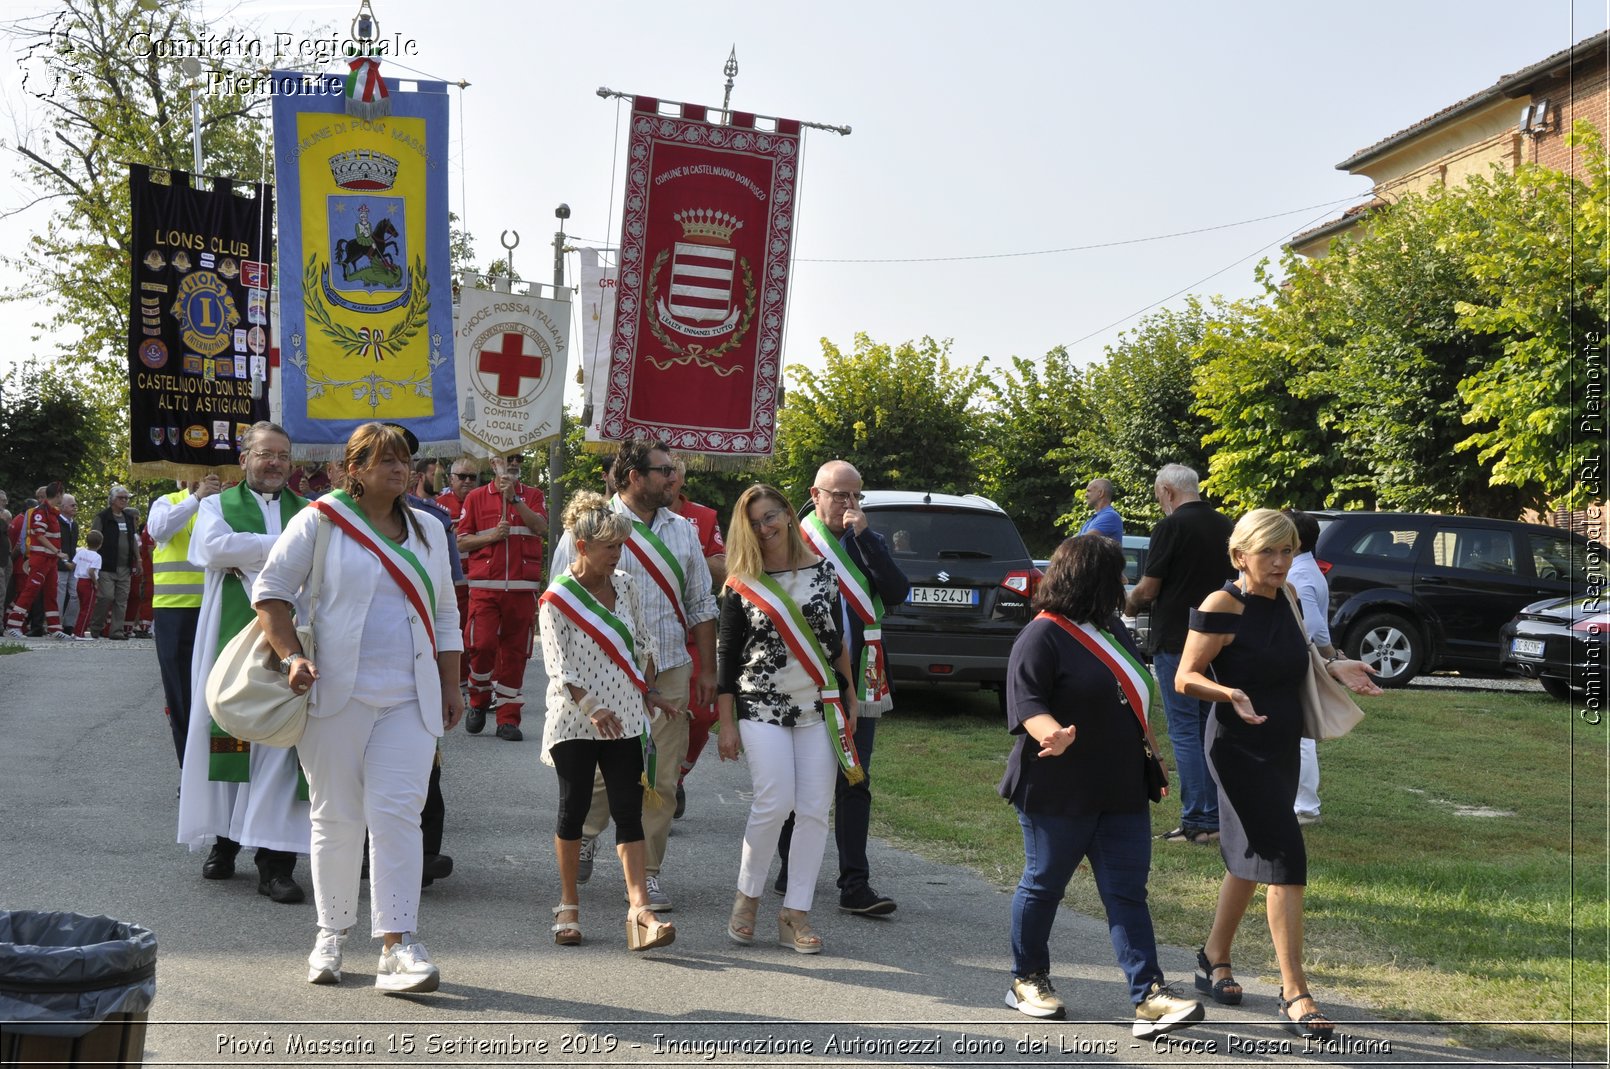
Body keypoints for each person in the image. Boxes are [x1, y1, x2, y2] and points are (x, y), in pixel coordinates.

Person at [253, 422, 463, 992]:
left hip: (409, 698)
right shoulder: (320, 520)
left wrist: (452, 684)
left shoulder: (427, 528)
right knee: (336, 816)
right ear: (355, 468)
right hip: (334, 694)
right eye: (385, 460)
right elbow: (270, 593)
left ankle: (399, 945)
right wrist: (292, 656)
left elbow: (445, 613)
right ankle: (331, 934)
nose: (400, 470)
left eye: (405, 461)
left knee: (398, 815)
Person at [1175, 509, 1380, 1040]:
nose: (1280, 562)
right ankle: (1295, 991)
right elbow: (1186, 678)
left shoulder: (1286, 598)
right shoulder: (1223, 604)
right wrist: (1229, 693)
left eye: (1287, 551)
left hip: (1281, 744)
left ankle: (1213, 957)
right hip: (1237, 748)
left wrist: (1338, 667)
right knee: (1285, 857)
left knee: (1250, 859)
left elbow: (1300, 658)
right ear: (1240, 554)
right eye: (1268, 552)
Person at [999, 535, 1205, 1035]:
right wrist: (1054, 734)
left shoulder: (1112, 628)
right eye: (1115, 575)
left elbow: (1127, 692)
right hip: (1057, 787)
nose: (1124, 585)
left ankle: (1149, 996)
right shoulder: (1041, 635)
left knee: (1127, 893)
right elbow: (1026, 703)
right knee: (1044, 883)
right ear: (1090, 580)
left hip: (1119, 787)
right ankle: (1027, 979)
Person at [553, 438, 717, 912]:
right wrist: (572, 683)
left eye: (673, 470)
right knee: (605, 774)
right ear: (634, 476)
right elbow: (560, 598)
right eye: (664, 470)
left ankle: (649, 873)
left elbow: (701, 604)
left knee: (661, 778)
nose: (674, 477)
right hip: (602, 674)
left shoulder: (685, 530)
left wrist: (706, 667)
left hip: (668, 668)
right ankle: (584, 836)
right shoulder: (586, 526)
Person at [717, 484, 858, 955]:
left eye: (771, 515)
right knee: (774, 803)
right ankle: (748, 896)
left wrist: (851, 696)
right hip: (760, 705)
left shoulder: (823, 572)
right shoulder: (741, 582)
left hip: (819, 704)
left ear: (787, 512)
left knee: (816, 808)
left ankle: (795, 912)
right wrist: (727, 722)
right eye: (755, 521)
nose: (765, 527)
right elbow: (727, 656)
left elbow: (835, 641)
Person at [176, 423, 311, 905]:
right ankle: (224, 840)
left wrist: (247, 548)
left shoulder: (310, 510)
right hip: (231, 639)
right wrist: (281, 549)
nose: (274, 463)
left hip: (291, 638)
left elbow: (239, 550)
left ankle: (276, 864)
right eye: (265, 454)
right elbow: (211, 549)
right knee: (228, 733)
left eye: (282, 455)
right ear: (245, 459)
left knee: (280, 741)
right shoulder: (215, 505)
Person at [538, 491, 676, 951]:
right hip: (575, 720)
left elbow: (642, 641)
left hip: (627, 718)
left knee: (628, 808)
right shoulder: (557, 598)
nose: (617, 554)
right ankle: (568, 904)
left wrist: (651, 688)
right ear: (581, 546)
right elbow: (558, 668)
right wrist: (592, 706)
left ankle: (639, 910)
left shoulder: (627, 585)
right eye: (609, 547)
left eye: (620, 546)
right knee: (573, 807)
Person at [776, 459, 910, 916]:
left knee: (856, 777)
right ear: (816, 496)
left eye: (856, 496)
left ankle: (855, 884)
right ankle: (789, 869)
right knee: (799, 784)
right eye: (839, 496)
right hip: (804, 678)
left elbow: (896, 592)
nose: (849, 505)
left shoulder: (865, 541)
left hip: (860, 680)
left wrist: (867, 539)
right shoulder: (793, 540)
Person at [1124, 464, 1235, 845]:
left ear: (1168, 492)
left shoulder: (1170, 528)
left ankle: (1199, 819)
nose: (1159, 504)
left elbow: (1150, 588)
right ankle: (1219, 816)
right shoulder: (1227, 526)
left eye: (1158, 497)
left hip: (1177, 640)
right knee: (1212, 730)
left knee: (1185, 730)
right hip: (1221, 639)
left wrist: (1129, 604)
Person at [457, 453, 549, 740]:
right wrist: (491, 537)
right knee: (481, 646)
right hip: (486, 588)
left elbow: (542, 528)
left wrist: (516, 501)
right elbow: (462, 541)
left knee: (514, 654)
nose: (512, 464)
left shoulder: (533, 495)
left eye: (517, 459)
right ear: (493, 463)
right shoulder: (475, 497)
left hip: (521, 590)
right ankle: (478, 699)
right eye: (506, 459)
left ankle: (508, 719)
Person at [148, 475, 223, 767]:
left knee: (221, 691)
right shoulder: (168, 501)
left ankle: (224, 767)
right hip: (174, 610)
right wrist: (196, 499)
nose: (204, 476)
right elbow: (159, 530)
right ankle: (189, 769)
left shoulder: (224, 504)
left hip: (217, 606)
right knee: (180, 694)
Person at [667, 457, 726, 819]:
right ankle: (655, 786)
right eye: (661, 474)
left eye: (673, 475)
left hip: (694, 632)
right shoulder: (633, 517)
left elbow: (722, 569)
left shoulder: (702, 517)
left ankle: (677, 777)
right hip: (651, 638)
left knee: (704, 714)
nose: (668, 482)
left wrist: (683, 552)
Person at [1284, 510, 1334, 826]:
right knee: (1300, 735)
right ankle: (1302, 803)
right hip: (1303, 656)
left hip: (1298, 658)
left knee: (1300, 736)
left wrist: (1327, 655)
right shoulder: (1305, 569)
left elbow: (1312, 625)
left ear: (1296, 541)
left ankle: (1305, 805)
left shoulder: (1298, 575)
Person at [4, 482, 67, 639]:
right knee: (30, 591)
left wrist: (55, 554)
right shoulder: (41, 512)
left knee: (51, 592)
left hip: (50, 560)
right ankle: (13, 625)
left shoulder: (53, 513)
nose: (63, 497)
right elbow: (39, 534)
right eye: (63, 494)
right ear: (58, 494)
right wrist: (56, 551)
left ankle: (54, 628)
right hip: (41, 560)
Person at [88, 486, 141, 640]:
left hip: (125, 566)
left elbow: (133, 541)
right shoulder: (102, 517)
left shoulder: (128, 518)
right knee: (106, 597)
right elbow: (94, 538)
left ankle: (116, 631)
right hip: (106, 565)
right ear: (112, 499)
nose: (124, 500)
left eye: (126, 498)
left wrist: (138, 559)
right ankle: (95, 627)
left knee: (122, 600)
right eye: (121, 497)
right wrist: (92, 561)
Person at [71, 529, 103, 640]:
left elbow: (72, 566)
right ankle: (79, 633)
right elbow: (91, 571)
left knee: (82, 607)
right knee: (87, 609)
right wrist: (96, 583)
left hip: (79, 581)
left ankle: (76, 631)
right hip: (88, 583)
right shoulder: (97, 557)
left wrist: (64, 560)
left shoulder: (81, 552)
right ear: (100, 544)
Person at [56, 494, 79, 628]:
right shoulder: (57, 522)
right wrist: (63, 561)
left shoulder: (74, 525)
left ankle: (70, 624)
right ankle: (56, 624)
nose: (75, 507)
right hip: (60, 564)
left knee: (75, 594)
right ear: (62, 507)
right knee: (60, 594)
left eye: (75, 504)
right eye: (72, 505)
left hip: (72, 565)